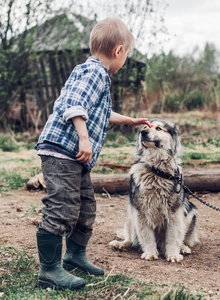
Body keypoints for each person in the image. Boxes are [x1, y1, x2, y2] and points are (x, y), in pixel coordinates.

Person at [34, 17, 151, 290]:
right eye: (127, 54)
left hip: (73, 157)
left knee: (85, 208)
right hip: (63, 152)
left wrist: (130, 121)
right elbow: (75, 104)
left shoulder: (95, 75)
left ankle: (75, 256)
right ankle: (49, 270)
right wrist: (84, 139)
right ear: (119, 51)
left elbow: (98, 112)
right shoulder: (93, 73)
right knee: (62, 207)